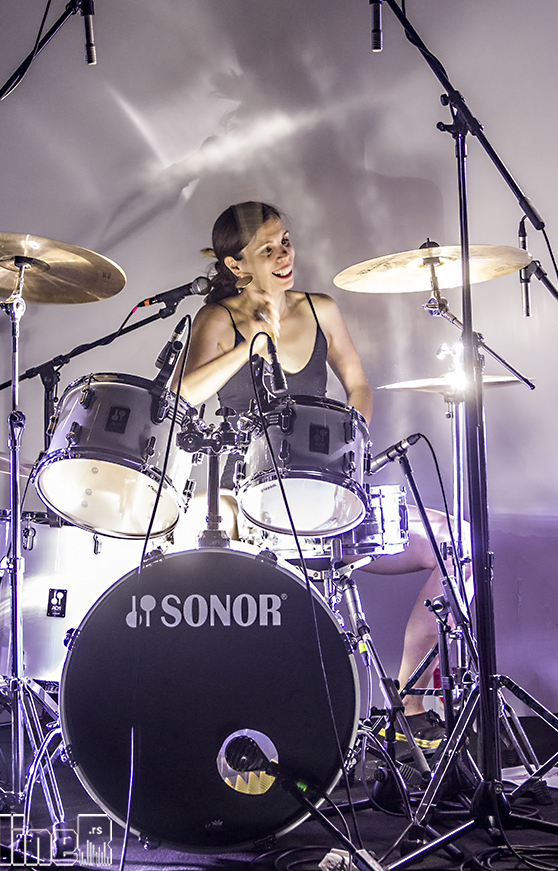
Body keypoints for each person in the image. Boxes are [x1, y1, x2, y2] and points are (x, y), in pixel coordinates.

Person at [176, 200, 456, 748]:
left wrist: (355, 444)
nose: (284, 255)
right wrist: (251, 344)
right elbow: (183, 394)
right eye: (267, 249)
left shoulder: (320, 308)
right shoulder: (217, 318)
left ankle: (409, 702)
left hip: (328, 493)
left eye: (286, 241)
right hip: (247, 503)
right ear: (236, 265)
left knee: (456, 545)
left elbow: (359, 384)